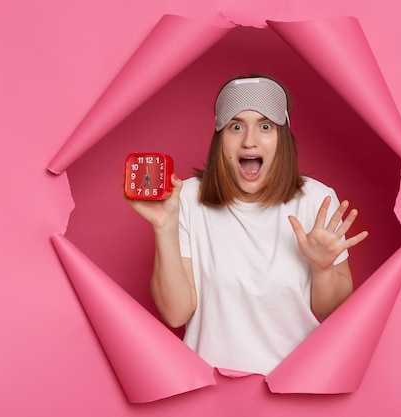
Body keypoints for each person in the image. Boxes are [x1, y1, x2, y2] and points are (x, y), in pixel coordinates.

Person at [127, 76, 368, 375]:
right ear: (220, 138)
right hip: (211, 388)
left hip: (294, 385)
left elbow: (335, 314)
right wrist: (165, 227)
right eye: (236, 126)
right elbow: (176, 314)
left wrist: (322, 269)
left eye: (265, 126)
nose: (249, 140)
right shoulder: (186, 198)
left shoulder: (316, 200)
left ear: (283, 137)